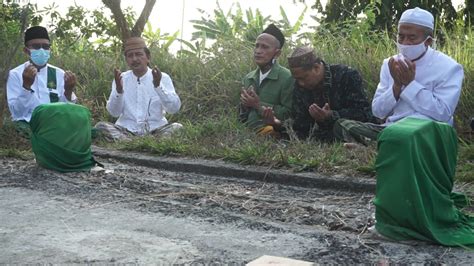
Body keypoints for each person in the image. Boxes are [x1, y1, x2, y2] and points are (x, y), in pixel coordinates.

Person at [336, 7, 464, 144]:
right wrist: (396, 87)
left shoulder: (449, 67)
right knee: (342, 125)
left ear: (428, 41)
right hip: (392, 128)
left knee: (405, 135)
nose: (404, 43)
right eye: (401, 36)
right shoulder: (390, 64)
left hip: (428, 131)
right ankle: (379, 142)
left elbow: (443, 114)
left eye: (412, 38)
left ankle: (376, 144)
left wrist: (410, 85)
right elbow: (378, 111)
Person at [262, 46, 374, 141]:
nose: (300, 83)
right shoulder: (299, 85)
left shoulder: (346, 75)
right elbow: (301, 125)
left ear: (316, 67)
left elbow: (364, 113)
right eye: (297, 79)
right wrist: (277, 124)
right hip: (321, 136)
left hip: (349, 129)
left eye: (303, 78)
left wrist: (330, 115)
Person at [95, 37, 182, 141]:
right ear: (126, 60)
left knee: (177, 128)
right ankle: (135, 143)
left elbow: (173, 109)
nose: (135, 59)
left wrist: (158, 86)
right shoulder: (121, 78)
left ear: (148, 57)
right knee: (100, 127)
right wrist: (119, 91)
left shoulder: (162, 77)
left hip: (155, 131)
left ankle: (137, 144)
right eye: (130, 56)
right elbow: (114, 113)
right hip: (126, 131)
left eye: (139, 54)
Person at [7, 25, 77, 138]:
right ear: (26, 50)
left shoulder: (59, 74)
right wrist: (26, 87)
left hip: (54, 123)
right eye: (36, 46)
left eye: (45, 46)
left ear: (50, 49)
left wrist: (68, 91)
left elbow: (67, 109)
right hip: (28, 123)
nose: (41, 50)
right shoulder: (15, 74)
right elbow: (17, 113)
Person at [239, 24, 294, 136]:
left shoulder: (287, 77)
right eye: (257, 46)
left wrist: (258, 105)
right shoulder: (249, 78)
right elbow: (242, 116)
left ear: (277, 53)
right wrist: (244, 105)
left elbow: (290, 114)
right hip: (247, 138)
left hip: (274, 136)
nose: (258, 51)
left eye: (265, 47)